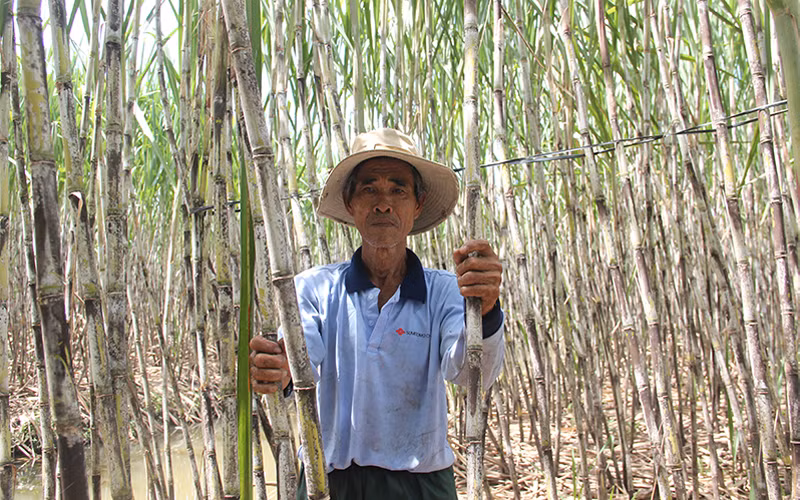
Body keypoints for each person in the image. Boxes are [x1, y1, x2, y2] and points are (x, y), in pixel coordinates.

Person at [249, 128, 505, 500]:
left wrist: (487, 307)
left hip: (420, 484)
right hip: (329, 480)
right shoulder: (314, 288)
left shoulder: (446, 291)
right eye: (369, 189)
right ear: (350, 203)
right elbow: (301, 360)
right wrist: (277, 367)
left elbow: (471, 373)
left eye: (398, 190)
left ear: (417, 205)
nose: (383, 204)